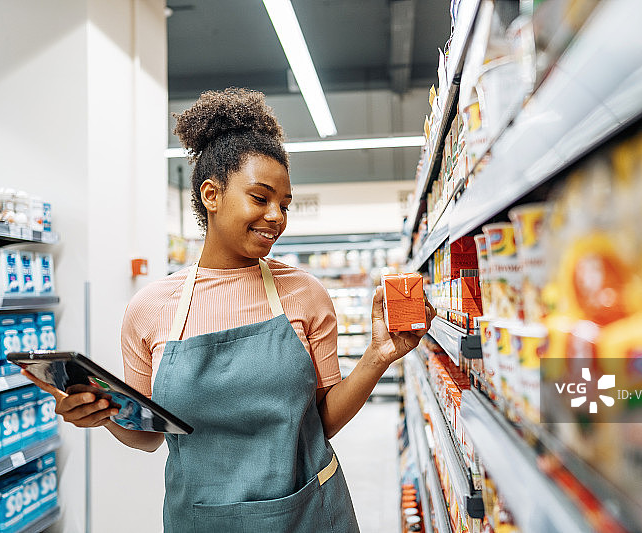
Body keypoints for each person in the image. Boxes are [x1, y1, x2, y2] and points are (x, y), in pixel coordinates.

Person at [23, 87, 436, 532]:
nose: (276, 216)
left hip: (308, 514)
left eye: (284, 204)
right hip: (201, 520)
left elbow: (323, 422)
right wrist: (101, 415)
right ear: (211, 194)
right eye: (260, 198)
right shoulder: (150, 309)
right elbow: (145, 436)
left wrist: (378, 356)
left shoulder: (305, 293)